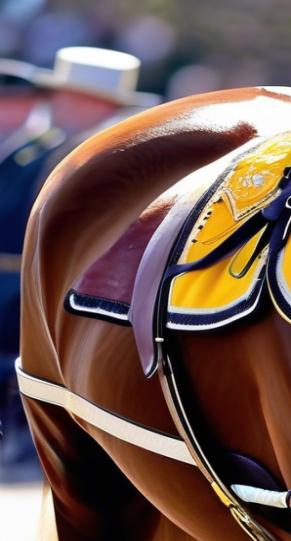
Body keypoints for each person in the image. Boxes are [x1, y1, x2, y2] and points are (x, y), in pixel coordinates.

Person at [0, 47, 159, 483]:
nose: (61, 105)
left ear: (102, 105)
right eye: (61, 95)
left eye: (74, 96)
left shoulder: (111, 161)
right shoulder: (36, 151)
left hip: (62, 291)